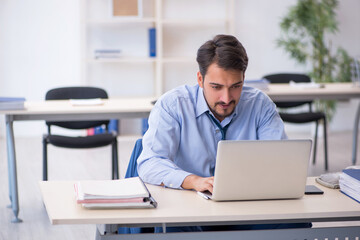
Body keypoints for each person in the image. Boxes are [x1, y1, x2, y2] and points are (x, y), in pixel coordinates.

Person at [137, 34, 309, 232]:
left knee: (296, 223)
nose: (226, 98)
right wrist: (193, 181)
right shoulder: (173, 105)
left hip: (248, 207)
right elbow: (150, 162)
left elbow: (280, 161)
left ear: (244, 78)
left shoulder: (260, 105)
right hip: (192, 208)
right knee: (173, 227)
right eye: (216, 87)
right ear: (200, 79)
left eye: (236, 86)